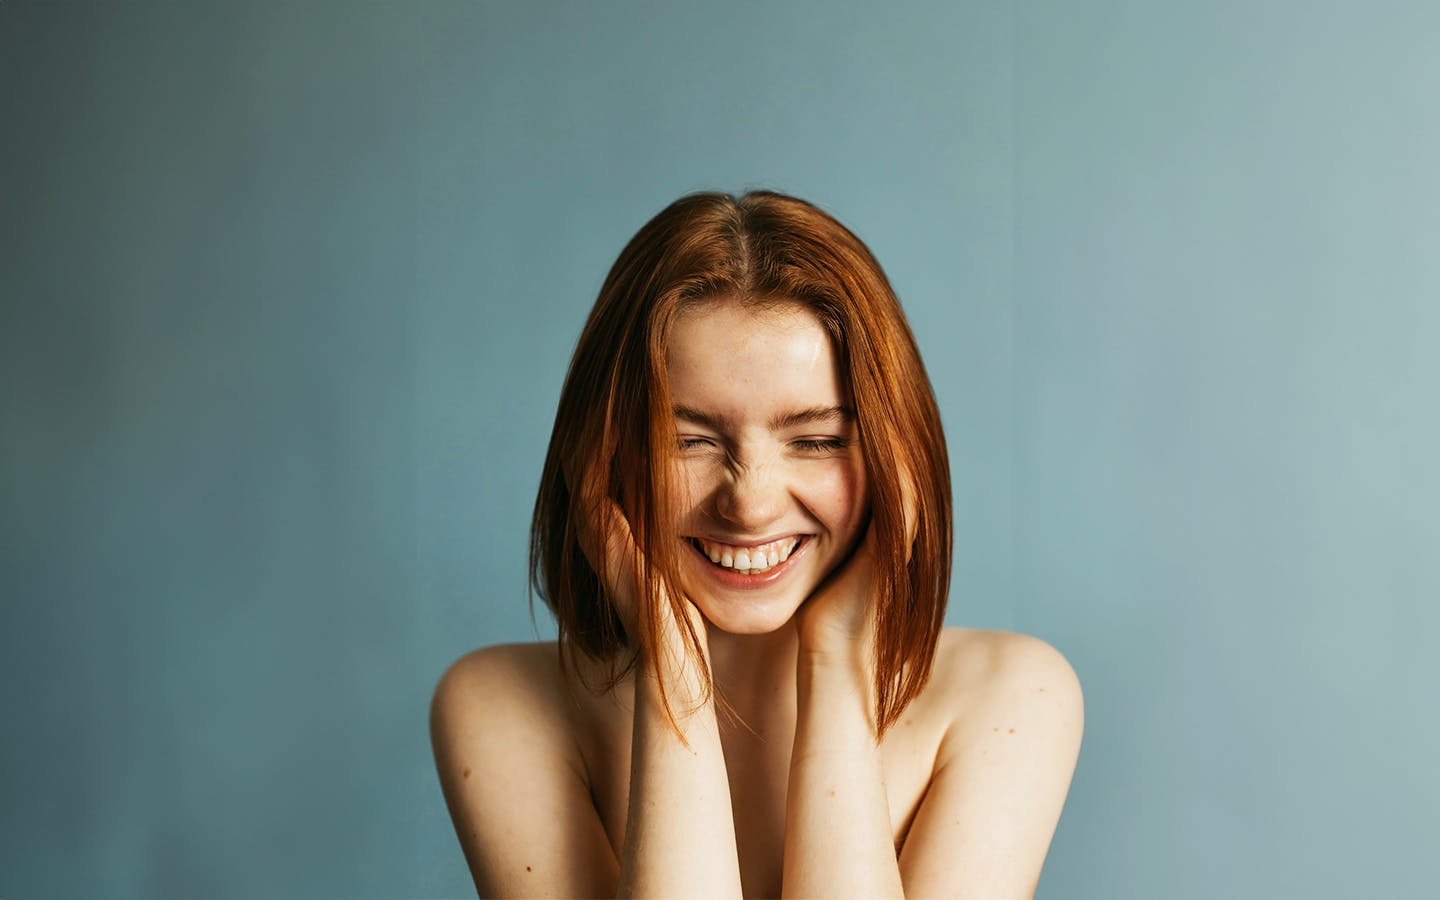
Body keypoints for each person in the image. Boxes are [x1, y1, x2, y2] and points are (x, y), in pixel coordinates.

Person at [430, 190, 1083, 898]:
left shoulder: (1010, 696)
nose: (750, 502)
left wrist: (837, 668)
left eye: (816, 440)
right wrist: (673, 675)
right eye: (688, 441)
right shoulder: (497, 706)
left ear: (898, 458)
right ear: (603, 456)